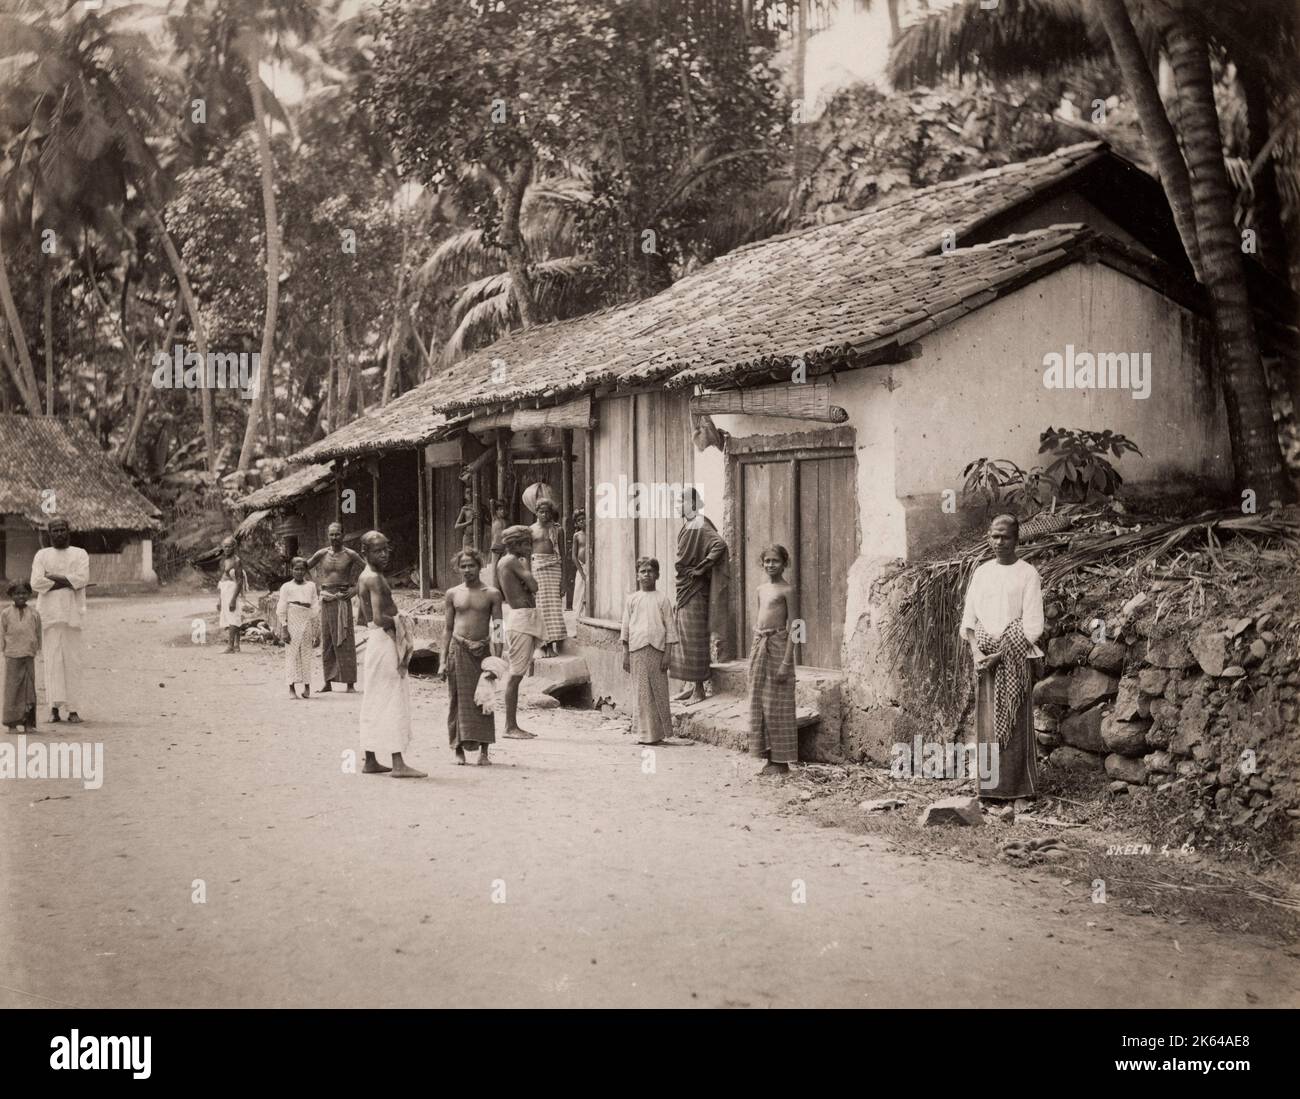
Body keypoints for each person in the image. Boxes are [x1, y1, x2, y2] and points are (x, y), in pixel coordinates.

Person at [960, 514, 1045, 804]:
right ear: (988, 537)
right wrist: (976, 652)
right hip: (984, 660)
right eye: (995, 536)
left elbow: (1033, 626)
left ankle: (1019, 790)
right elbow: (969, 620)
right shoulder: (981, 573)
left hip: (1014, 660)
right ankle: (989, 791)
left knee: (1015, 724)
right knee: (987, 725)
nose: (1000, 542)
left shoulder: (1028, 574)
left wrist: (1003, 653)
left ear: (1017, 539)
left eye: (1006, 537)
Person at [357, 530, 425, 778]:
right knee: (392, 698)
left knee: (375, 698)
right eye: (378, 550)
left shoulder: (365, 576)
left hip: (377, 641)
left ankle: (371, 759)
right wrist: (401, 620)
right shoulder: (374, 578)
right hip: (384, 642)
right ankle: (398, 763)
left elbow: (363, 618)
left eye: (386, 549)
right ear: (365, 552)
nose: (384, 554)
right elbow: (376, 617)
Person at [441, 548, 503, 765]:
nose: (467, 570)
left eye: (471, 565)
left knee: (484, 699)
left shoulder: (492, 594)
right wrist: (442, 661)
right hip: (457, 650)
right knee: (457, 699)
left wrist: (497, 661)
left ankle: (484, 752)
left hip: (483, 652)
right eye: (463, 566)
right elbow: (448, 629)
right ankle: (457, 749)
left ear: (480, 566)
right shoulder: (452, 594)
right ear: (458, 568)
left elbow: (497, 628)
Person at [30, 517, 90, 724]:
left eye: (62, 529)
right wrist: (68, 581)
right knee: (52, 662)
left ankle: (73, 709)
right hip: (49, 615)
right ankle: (53, 708)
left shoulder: (79, 553)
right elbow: (36, 583)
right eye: (54, 530)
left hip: (73, 615)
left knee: (73, 662)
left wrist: (53, 577)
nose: (58, 533)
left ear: (68, 531)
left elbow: (82, 580)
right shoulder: (42, 555)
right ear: (49, 533)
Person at [670, 488, 727, 704]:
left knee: (694, 638)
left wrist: (702, 568)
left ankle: (699, 690)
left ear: (693, 503)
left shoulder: (700, 523)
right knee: (683, 638)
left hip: (695, 589)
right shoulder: (688, 525)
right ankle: (690, 685)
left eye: (682, 501)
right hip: (685, 587)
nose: (678, 505)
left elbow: (719, 544)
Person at [748, 544, 797, 776]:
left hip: (779, 648)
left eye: (775, 561)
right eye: (767, 561)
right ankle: (768, 758)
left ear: (784, 563)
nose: (770, 565)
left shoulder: (788, 590)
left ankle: (781, 761)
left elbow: (797, 627)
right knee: (761, 704)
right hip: (761, 647)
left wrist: (787, 662)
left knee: (778, 705)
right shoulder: (760, 589)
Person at [621, 557, 678, 746]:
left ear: (657, 575)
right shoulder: (632, 599)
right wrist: (625, 652)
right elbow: (626, 627)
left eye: (650, 571)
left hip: (657, 650)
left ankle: (658, 734)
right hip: (637, 649)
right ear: (637, 575)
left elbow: (670, 627)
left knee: (658, 692)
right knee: (642, 692)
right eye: (643, 571)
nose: (646, 574)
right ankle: (643, 734)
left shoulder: (662, 599)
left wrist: (668, 653)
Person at [496, 524, 543, 740]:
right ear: (517, 544)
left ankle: (511, 725)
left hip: (523, 616)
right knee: (515, 675)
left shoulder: (506, 562)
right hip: (521, 618)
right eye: (527, 544)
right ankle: (510, 726)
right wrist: (528, 567)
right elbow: (533, 586)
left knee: (518, 673)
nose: (531, 548)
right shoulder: (512, 561)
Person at [307, 522, 364, 692]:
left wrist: (355, 590)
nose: (334, 538)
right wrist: (315, 585)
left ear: (343, 535)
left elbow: (370, 571)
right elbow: (303, 567)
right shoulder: (321, 553)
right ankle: (328, 682)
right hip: (326, 599)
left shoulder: (350, 554)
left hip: (342, 599)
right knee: (328, 640)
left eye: (337, 534)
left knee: (345, 639)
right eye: (331, 534)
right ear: (328, 535)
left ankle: (350, 683)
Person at [276, 557, 320, 700]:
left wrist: (316, 632)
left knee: (306, 655)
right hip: (292, 620)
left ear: (306, 570)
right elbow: (282, 608)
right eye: (296, 569)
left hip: (306, 620)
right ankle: (291, 688)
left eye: (302, 569)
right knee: (292, 654)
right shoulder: (286, 587)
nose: (299, 572)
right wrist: (284, 627)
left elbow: (314, 607)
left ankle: (307, 688)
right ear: (291, 570)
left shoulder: (311, 586)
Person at [529, 498, 567, 657]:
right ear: (536, 512)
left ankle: (553, 643)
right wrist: (527, 577)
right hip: (538, 568)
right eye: (541, 511)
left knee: (554, 607)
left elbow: (563, 555)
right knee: (541, 605)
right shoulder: (530, 530)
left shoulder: (558, 530)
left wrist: (564, 581)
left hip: (554, 568)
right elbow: (526, 554)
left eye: (547, 512)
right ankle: (542, 644)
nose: (544, 515)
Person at [2, 580, 40, 733]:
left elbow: (38, 634)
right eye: (17, 593)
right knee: (12, 690)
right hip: (12, 656)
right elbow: (2, 633)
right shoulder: (5, 613)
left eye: (24, 593)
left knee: (29, 689)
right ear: (11, 595)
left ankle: (28, 724)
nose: (21, 596)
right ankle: (11, 724)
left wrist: (35, 649)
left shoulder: (34, 614)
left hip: (28, 655)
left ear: (29, 595)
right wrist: (4, 651)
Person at [216, 536, 246, 654]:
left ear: (234, 547)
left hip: (232, 591)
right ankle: (237, 645)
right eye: (225, 546)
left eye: (229, 546)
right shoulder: (224, 560)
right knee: (231, 617)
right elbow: (222, 579)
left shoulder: (236, 561)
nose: (227, 549)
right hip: (224, 589)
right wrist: (219, 599)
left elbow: (239, 581)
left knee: (233, 615)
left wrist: (233, 599)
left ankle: (230, 646)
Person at [570, 510, 587, 615]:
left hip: (591, 566)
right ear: (576, 523)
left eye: (583, 519)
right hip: (582, 567)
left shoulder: (593, 532)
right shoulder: (577, 535)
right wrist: (581, 572)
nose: (582, 521)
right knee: (579, 592)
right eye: (579, 520)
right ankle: (578, 617)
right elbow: (574, 556)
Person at [453, 484, 478, 550]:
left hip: (478, 537)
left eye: (471, 492)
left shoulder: (481, 507)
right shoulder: (465, 509)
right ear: (465, 496)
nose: (470, 494)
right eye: (467, 493)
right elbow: (456, 526)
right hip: (468, 538)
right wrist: (469, 522)